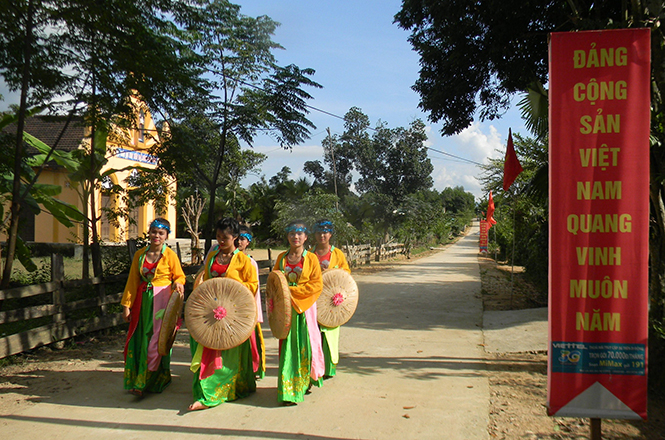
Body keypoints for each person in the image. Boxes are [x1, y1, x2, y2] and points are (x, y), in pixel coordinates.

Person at [188, 218, 258, 411]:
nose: (220, 241)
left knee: (229, 352)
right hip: (212, 311)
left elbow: (253, 285)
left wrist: (234, 289)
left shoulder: (244, 260)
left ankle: (223, 391)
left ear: (235, 237)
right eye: (218, 237)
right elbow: (207, 280)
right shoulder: (212, 258)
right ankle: (207, 392)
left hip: (234, 314)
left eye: (225, 238)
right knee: (208, 347)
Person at [121, 217, 185, 397]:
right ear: (149, 233)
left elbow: (179, 276)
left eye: (161, 233)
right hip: (143, 300)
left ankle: (148, 379)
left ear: (167, 236)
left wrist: (178, 284)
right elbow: (133, 280)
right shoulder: (140, 255)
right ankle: (139, 378)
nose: (156, 236)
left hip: (162, 301)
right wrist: (127, 305)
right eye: (154, 232)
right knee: (141, 337)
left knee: (158, 337)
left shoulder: (170, 255)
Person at [273, 220, 324, 404]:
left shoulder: (311, 259)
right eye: (292, 233)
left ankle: (305, 380)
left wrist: (292, 291)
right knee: (287, 348)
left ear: (306, 237)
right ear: (287, 236)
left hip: (304, 308)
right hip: (286, 309)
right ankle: (288, 389)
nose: (296, 237)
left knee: (306, 345)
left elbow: (317, 284)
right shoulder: (281, 258)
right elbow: (274, 281)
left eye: (299, 233)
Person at [312, 219, 351, 378]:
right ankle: (316, 366)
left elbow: (346, 273)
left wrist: (332, 272)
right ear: (314, 234)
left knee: (330, 333)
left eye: (325, 232)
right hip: (314, 299)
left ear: (330, 234)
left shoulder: (337, 254)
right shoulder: (310, 254)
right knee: (315, 334)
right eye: (319, 232)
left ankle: (329, 367)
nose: (322, 235)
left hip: (331, 300)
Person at [237, 224, 265, 379]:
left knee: (250, 339)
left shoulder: (250, 262)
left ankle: (253, 367)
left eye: (242, 239)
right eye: (237, 238)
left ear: (248, 242)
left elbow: (254, 289)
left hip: (246, 305)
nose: (239, 242)